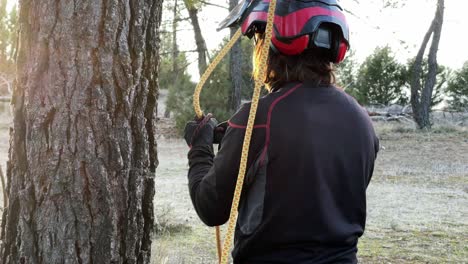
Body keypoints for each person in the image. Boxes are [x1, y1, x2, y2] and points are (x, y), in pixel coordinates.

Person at [184, 0, 379, 263]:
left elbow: (210, 208)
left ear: (270, 44)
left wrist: (199, 148)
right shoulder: (361, 119)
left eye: (258, 39)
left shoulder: (259, 118)